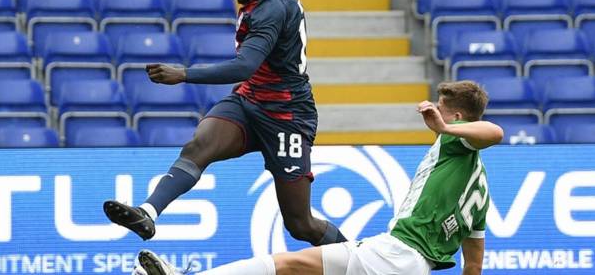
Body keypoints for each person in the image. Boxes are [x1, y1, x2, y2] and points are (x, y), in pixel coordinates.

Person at [103, 0, 347, 247]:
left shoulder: (270, 8)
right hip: (250, 102)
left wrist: (184, 74)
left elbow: (244, 66)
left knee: (300, 224)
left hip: (287, 115)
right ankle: (148, 212)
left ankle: (357, 262)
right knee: (198, 146)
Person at [131, 80, 503, 275]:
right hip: (411, 267)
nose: (433, 117)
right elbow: (473, 265)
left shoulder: (457, 144)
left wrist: (448, 130)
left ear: (457, 118)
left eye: (440, 111)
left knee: (290, 265)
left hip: (396, 254)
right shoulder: (480, 192)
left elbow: (495, 133)